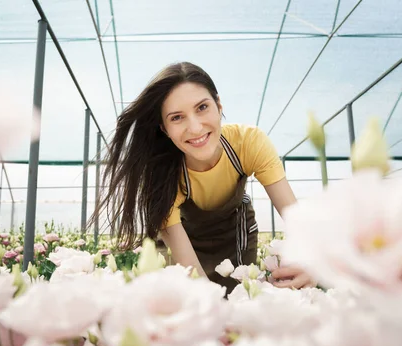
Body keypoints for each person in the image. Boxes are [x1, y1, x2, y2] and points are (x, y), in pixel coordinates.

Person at [94, 61, 314, 293]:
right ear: (164, 128)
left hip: (235, 236)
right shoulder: (159, 176)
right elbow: (197, 284)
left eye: (202, 107)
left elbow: (297, 220)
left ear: (219, 105)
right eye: (177, 117)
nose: (196, 128)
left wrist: (312, 262)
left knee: (240, 297)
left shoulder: (249, 143)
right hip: (182, 243)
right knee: (190, 303)